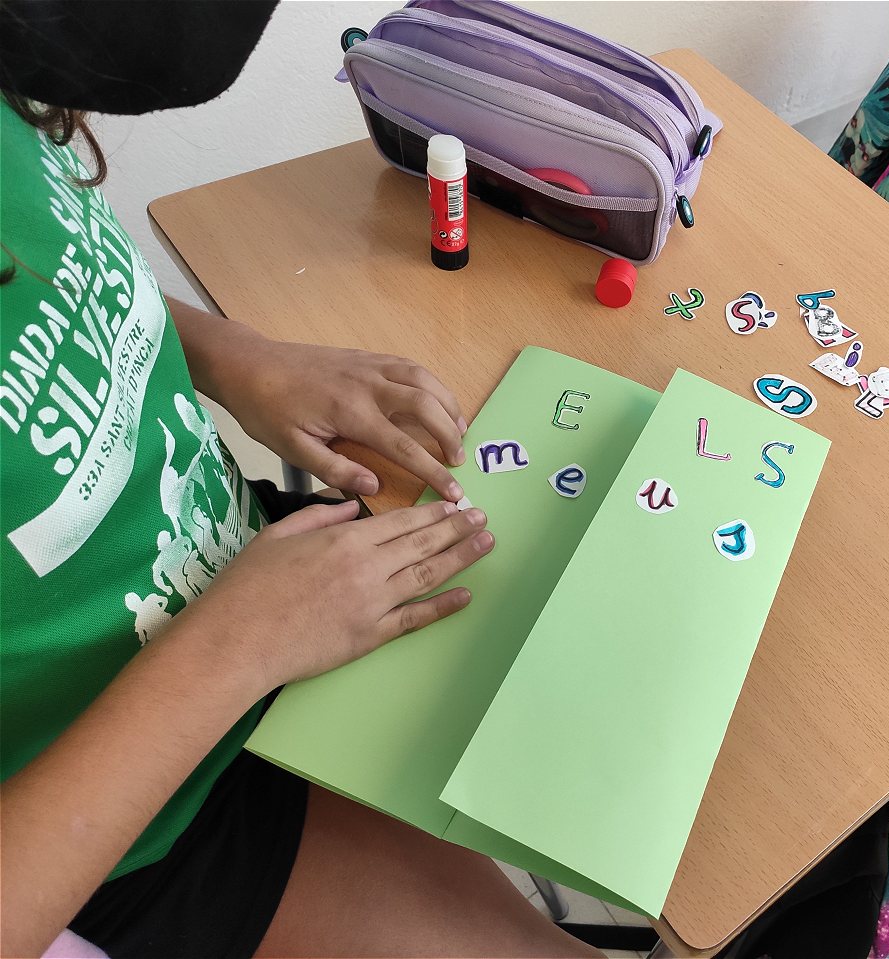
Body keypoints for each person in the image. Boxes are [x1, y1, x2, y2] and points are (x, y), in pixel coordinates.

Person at [0, 3, 599, 956]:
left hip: (251, 573)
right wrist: (235, 648)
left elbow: (47, 279)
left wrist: (238, 356)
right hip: (143, 809)